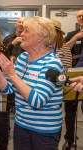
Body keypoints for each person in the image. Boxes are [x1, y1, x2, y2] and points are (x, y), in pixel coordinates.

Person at [0, 16, 64, 150]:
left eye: (26, 31)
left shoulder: (52, 63)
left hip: (44, 131)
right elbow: (8, 89)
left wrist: (12, 74)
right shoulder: (23, 58)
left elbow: (37, 101)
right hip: (21, 125)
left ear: (40, 37)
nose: (21, 34)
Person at [62, 9, 83, 150]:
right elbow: (64, 50)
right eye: (79, 16)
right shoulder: (71, 34)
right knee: (70, 110)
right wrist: (76, 38)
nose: (81, 18)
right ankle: (69, 140)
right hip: (75, 74)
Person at [3, 17, 26, 134]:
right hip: (9, 76)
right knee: (7, 105)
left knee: (21, 103)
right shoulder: (8, 38)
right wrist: (12, 43)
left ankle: (20, 128)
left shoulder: (28, 38)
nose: (21, 23)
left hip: (24, 76)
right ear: (16, 23)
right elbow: (2, 53)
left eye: (23, 21)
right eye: (19, 21)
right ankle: (6, 129)